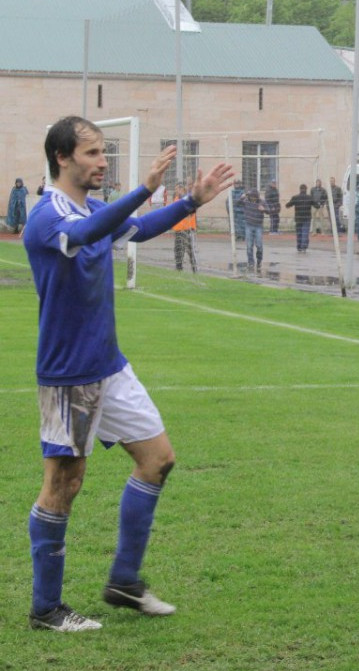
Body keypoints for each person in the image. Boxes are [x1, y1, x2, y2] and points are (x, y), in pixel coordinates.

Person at [23, 115, 234, 632]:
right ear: (62, 158)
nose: (102, 163)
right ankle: (46, 608)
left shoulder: (93, 207)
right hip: (70, 374)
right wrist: (144, 188)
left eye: (103, 153)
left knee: (158, 460)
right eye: (93, 153)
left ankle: (124, 581)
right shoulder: (47, 217)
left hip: (110, 367)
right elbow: (88, 232)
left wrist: (190, 203)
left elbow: (135, 229)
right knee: (63, 486)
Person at [170, 184, 197, 273]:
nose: (176, 191)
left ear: (182, 189)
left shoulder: (187, 198)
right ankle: (179, 267)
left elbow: (192, 212)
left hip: (187, 228)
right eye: (175, 189)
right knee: (178, 249)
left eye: (177, 189)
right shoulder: (176, 198)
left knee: (189, 249)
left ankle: (194, 268)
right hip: (178, 228)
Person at [239, 188, 266, 275]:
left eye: (255, 197)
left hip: (258, 226)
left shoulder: (262, 202)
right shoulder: (246, 201)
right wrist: (242, 198)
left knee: (259, 245)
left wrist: (264, 209)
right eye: (252, 197)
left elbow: (270, 210)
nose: (253, 199)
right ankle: (251, 262)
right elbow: (237, 203)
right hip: (249, 225)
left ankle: (259, 261)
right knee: (249, 245)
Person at [285, 183, 315, 253]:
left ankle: (299, 247)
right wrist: (318, 204)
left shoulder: (295, 197)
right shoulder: (309, 197)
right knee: (305, 232)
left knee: (299, 233)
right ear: (306, 190)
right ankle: (304, 246)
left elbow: (288, 205)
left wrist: (287, 204)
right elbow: (316, 205)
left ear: (300, 189)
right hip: (307, 218)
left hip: (298, 218)